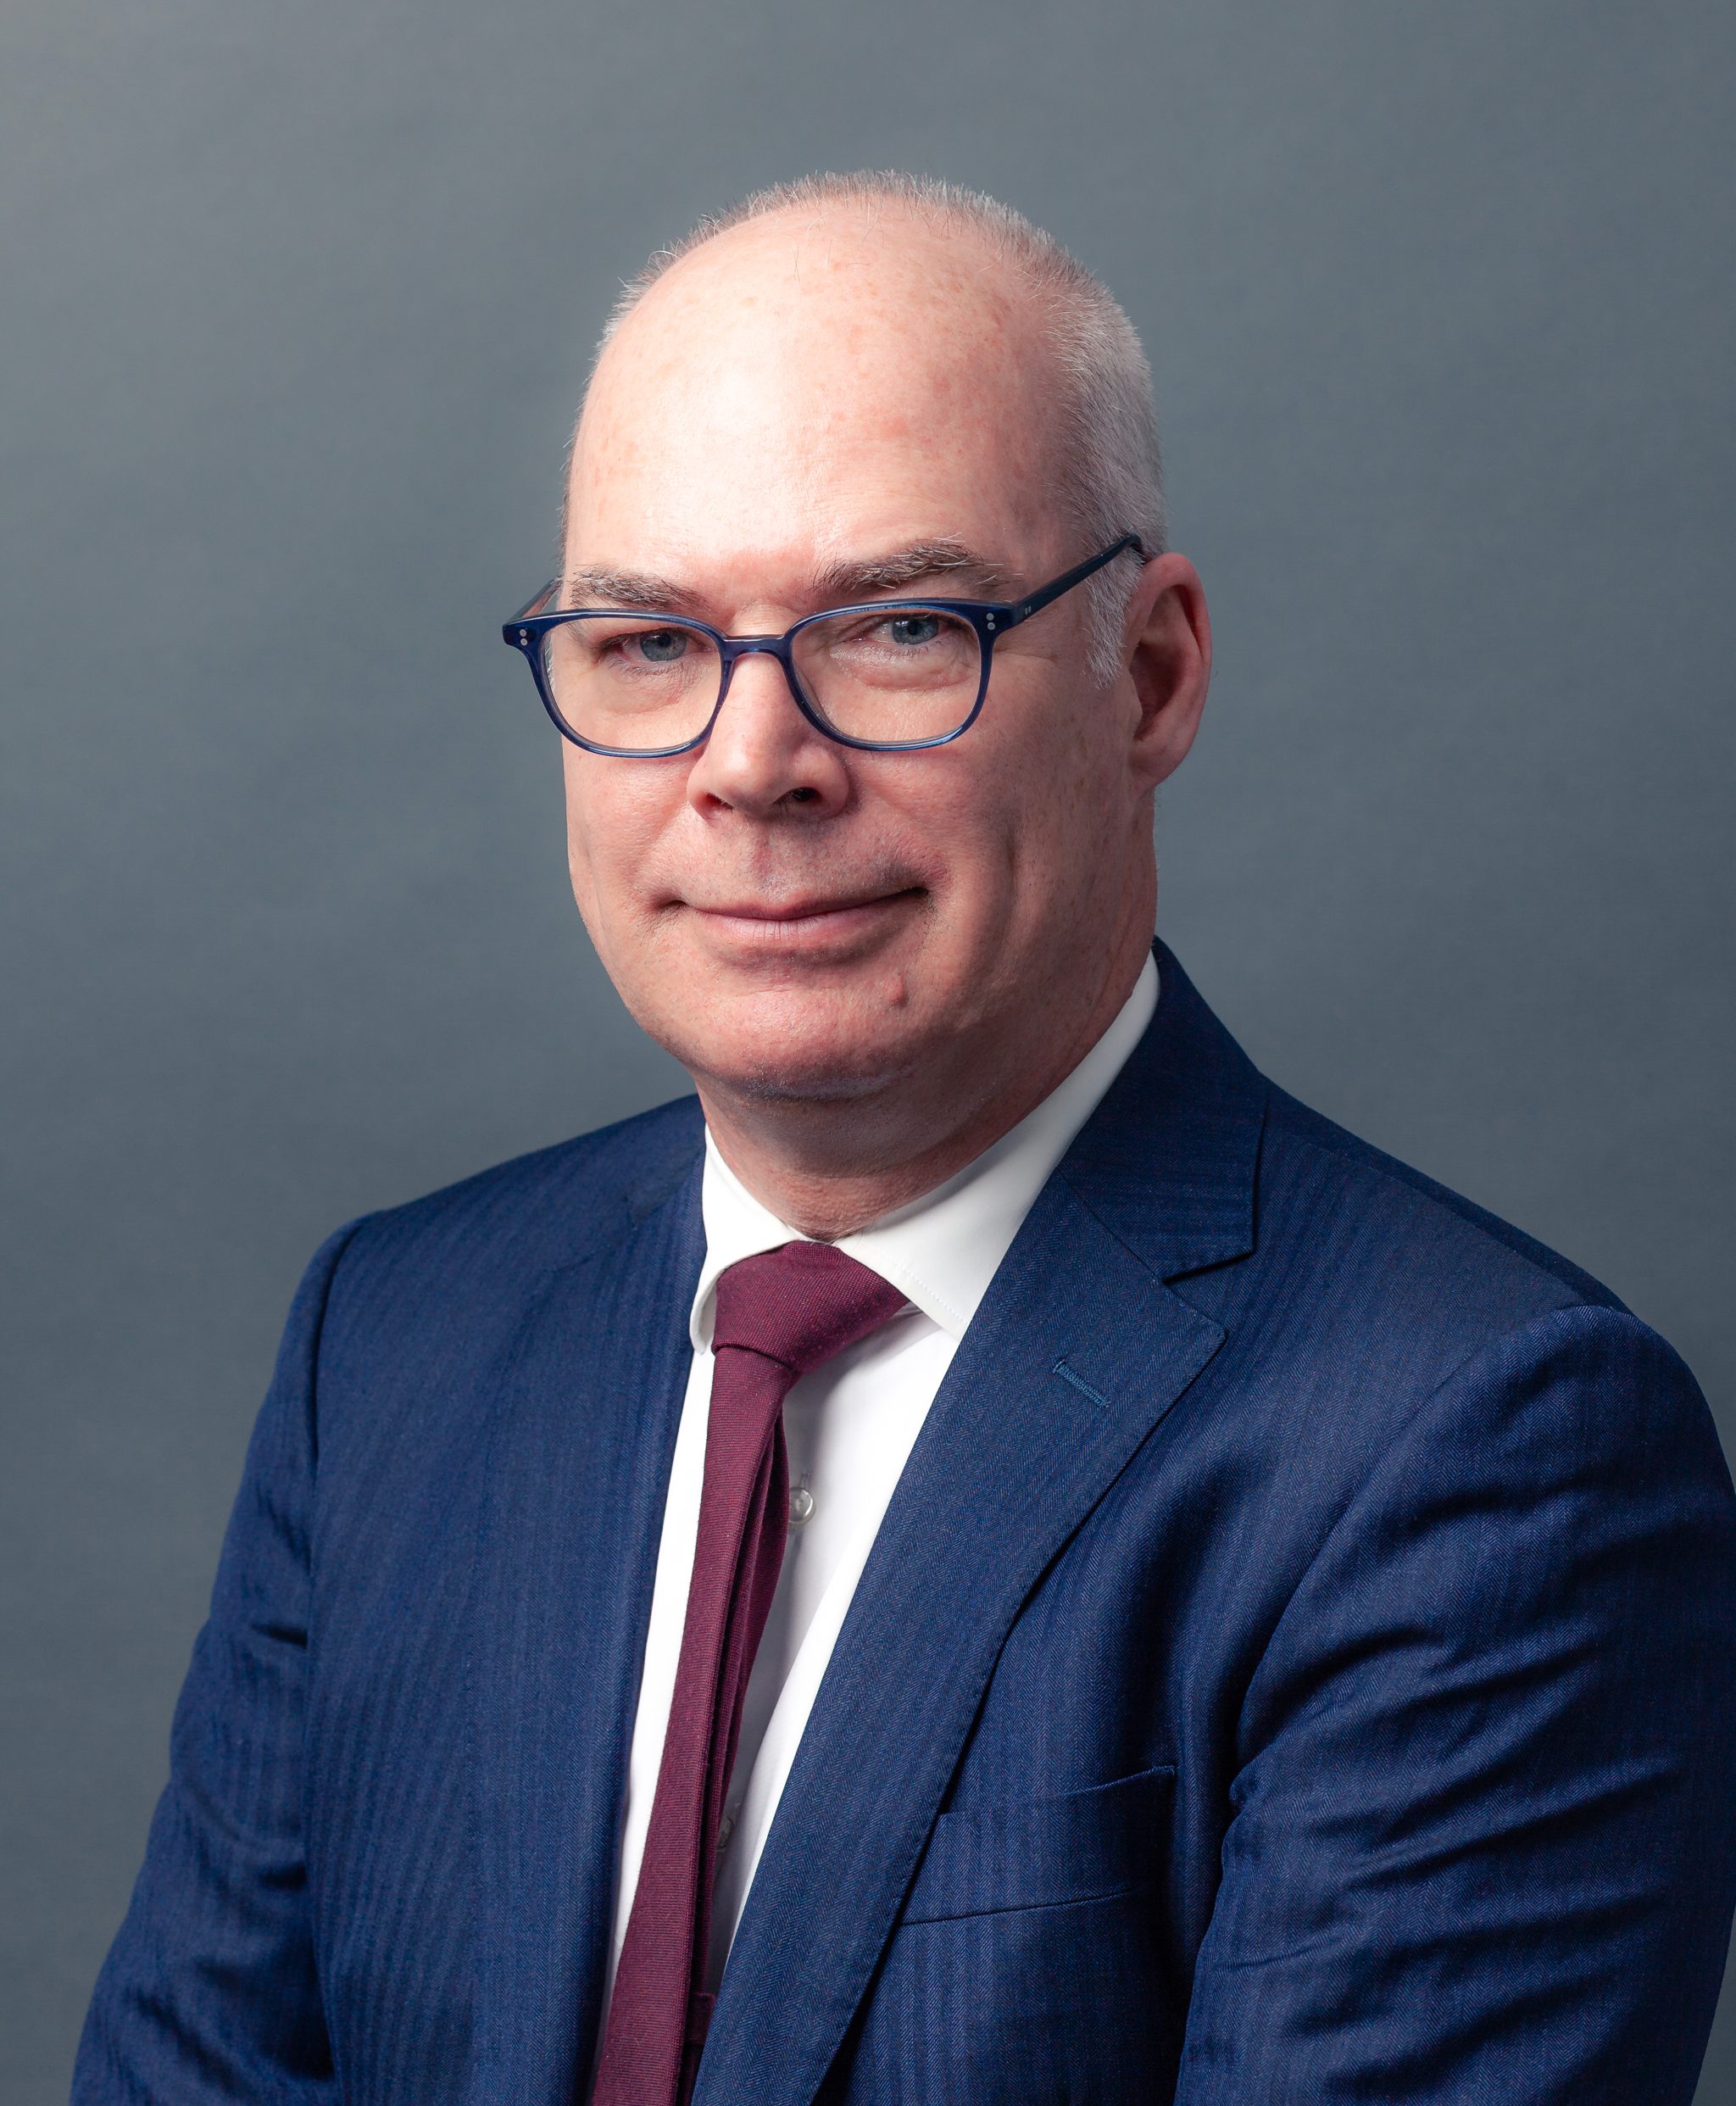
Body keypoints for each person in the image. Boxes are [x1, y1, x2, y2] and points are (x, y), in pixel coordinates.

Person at [75, 173, 1736, 2106]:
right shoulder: (400, 1336)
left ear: (1151, 675)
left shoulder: (1481, 1450)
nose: (749, 760)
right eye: (643, 644)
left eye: (895, 627)